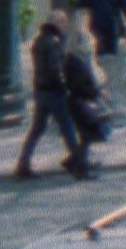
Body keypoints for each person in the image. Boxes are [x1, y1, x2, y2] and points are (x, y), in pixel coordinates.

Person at [16, 21, 96, 182]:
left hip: (41, 91)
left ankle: (23, 164)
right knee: (68, 128)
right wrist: (64, 85)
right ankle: (80, 166)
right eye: (63, 23)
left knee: (37, 130)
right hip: (54, 92)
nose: (65, 26)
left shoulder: (39, 41)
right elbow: (54, 68)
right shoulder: (53, 42)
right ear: (58, 24)